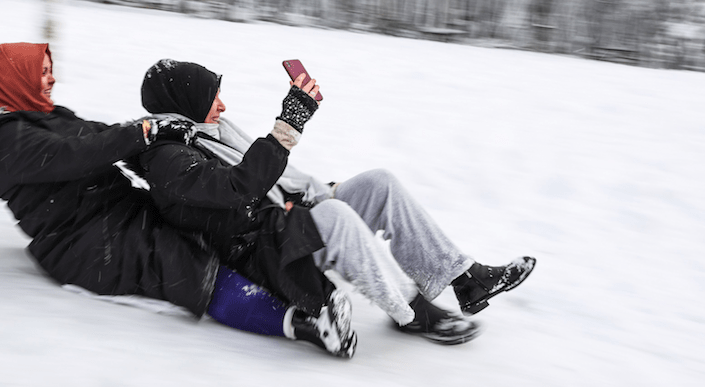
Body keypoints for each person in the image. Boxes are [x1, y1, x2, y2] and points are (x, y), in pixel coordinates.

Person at [0, 43, 356, 358]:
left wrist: (165, 148)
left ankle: (302, 287)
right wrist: (143, 133)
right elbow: (74, 156)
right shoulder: (6, 138)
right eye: (43, 73)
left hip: (115, 213)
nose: (51, 79)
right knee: (183, 263)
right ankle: (298, 324)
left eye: (49, 70)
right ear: (15, 81)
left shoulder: (47, 115)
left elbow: (103, 137)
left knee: (205, 225)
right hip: (83, 244)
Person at [136, 59, 536, 346]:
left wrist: (322, 190)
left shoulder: (212, 128)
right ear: (183, 101)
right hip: (262, 248)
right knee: (335, 215)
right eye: (212, 97)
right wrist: (287, 128)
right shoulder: (168, 157)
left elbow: (274, 178)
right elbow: (238, 188)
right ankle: (412, 312)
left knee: (379, 183)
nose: (222, 105)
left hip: (284, 217)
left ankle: (465, 279)